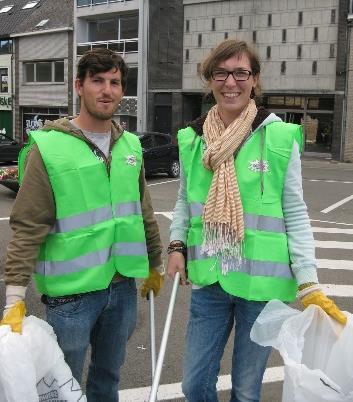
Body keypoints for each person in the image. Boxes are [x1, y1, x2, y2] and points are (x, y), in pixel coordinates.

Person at [167, 39, 346, 402]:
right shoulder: (192, 140)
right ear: (210, 79)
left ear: (255, 80)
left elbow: (295, 212)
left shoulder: (279, 137)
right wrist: (176, 245)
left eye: (240, 73)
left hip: (262, 288)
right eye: (221, 73)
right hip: (211, 279)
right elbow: (185, 201)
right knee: (193, 384)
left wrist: (308, 280)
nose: (230, 82)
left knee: (247, 392)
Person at [1, 48, 164, 402]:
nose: (107, 90)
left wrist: (155, 264)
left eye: (115, 83)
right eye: (98, 81)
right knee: (63, 387)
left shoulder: (130, 145)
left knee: (108, 380)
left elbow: (143, 212)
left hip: (122, 289)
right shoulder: (49, 147)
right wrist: (14, 295)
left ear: (122, 90)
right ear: (79, 86)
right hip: (71, 298)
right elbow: (28, 225)